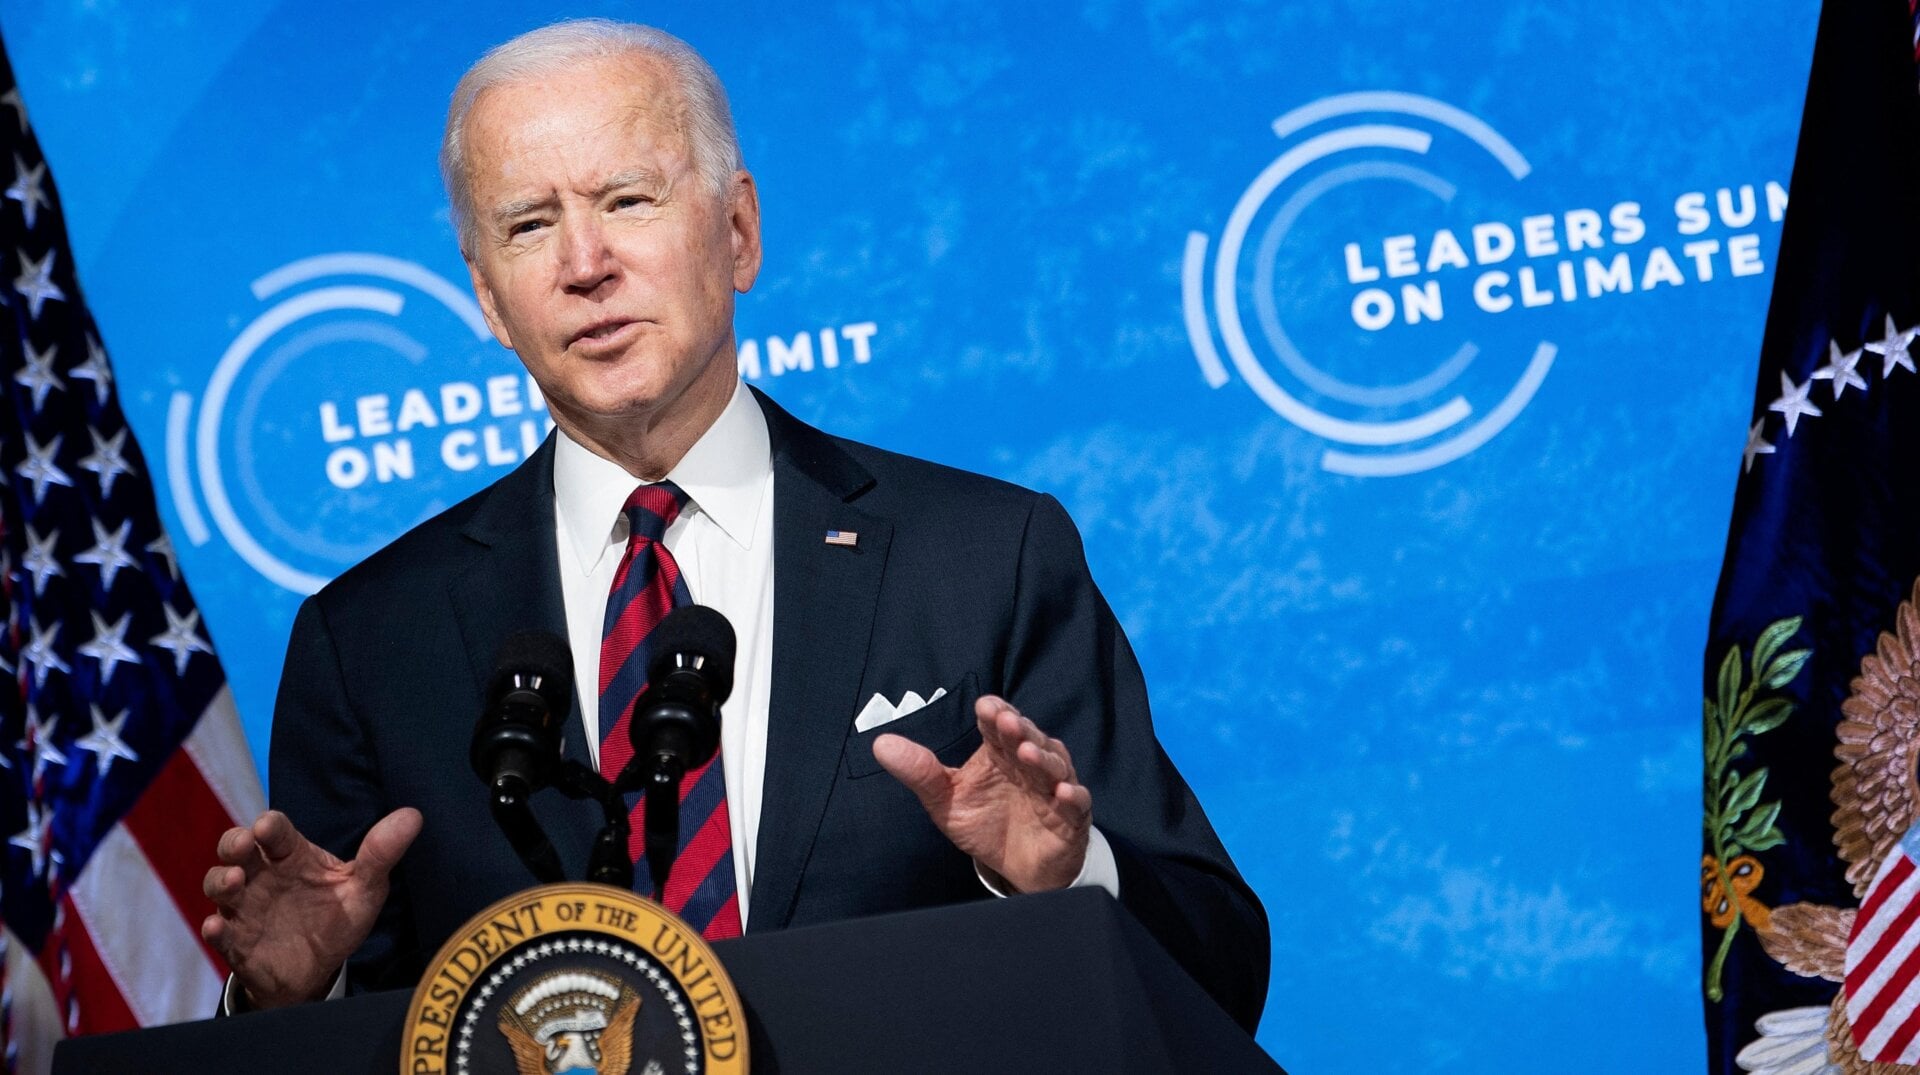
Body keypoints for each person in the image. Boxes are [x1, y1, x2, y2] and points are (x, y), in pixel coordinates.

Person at [201, 18, 1268, 1031]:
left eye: (627, 200)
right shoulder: (372, 639)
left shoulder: (983, 556)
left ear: (739, 231)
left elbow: (1217, 965)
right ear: (487, 296)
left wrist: (1058, 878)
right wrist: (297, 992)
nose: (584, 264)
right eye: (531, 224)